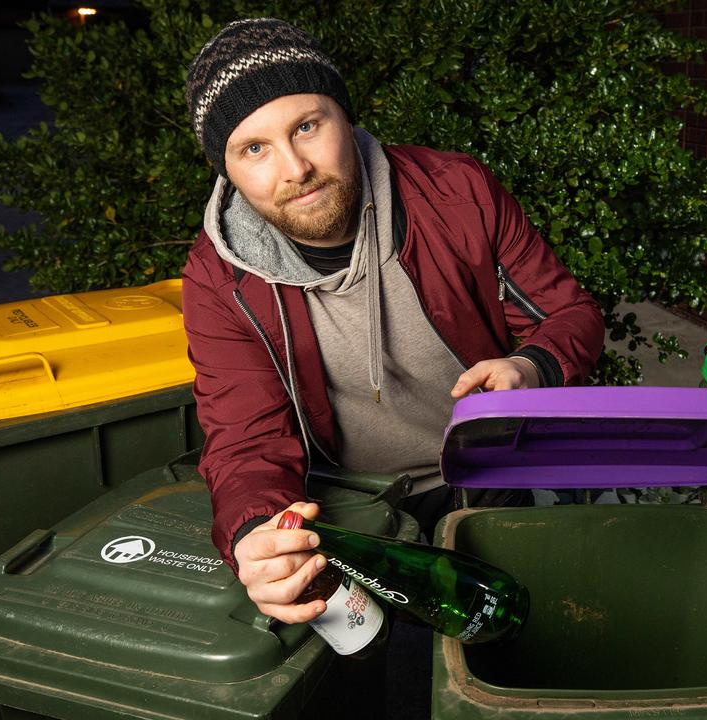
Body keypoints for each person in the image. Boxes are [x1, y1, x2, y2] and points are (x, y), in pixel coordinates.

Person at [181, 18, 604, 626]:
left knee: (528, 634)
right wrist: (255, 533)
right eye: (255, 148)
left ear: (344, 118)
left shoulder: (457, 193)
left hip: (486, 477)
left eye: (306, 126)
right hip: (349, 511)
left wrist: (530, 365)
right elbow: (246, 438)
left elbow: (569, 314)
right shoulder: (219, 277)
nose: (295, 168)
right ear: (227, 170)